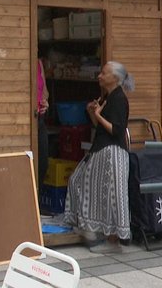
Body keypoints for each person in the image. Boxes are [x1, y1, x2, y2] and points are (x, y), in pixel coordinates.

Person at [63, 61, 134, 254]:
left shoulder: (119, 98)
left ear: (114, 78)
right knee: (80, 182)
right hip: (102, 149)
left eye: (103, 73)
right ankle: (93, 231)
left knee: (108, 195)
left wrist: (98, 114)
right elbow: (100, 127)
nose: (99, 76)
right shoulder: (109, 97)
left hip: (112, 151)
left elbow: (117, 130)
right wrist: (93, 113)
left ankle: (110, 240)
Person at [36, 57, 50, 188]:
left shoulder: (38, 62)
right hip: (27, 120)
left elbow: (45, 91)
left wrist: (45, 102)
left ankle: (37, 201)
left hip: (39, 118)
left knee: (43, 163)